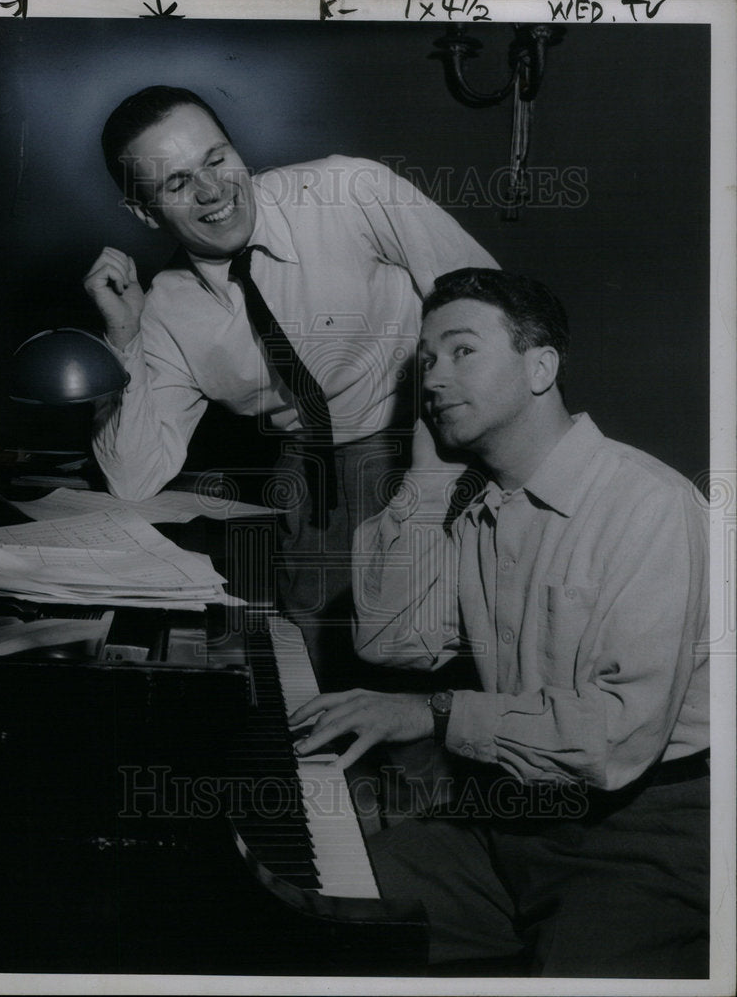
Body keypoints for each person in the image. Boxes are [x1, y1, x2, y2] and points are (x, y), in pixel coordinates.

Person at [289, 268, 710, 977]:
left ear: (541, 366)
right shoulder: (483, 509)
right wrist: (425, 478)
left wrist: (438, 713)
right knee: (317, 906)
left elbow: (616, 739)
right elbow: (392, 640)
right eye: (425, 361)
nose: (433, 379)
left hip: (646, 830)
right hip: (508, 815)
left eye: (461, 351)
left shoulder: (650, 505)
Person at [84, 86, 497, 681]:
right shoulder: (166, 310)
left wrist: (447, 462)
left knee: (456, 667)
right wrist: (122, 336)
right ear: (145, 213)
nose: (212, 192)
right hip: (313, 484)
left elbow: (484, 305)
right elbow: (131, 477)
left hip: (433, 444)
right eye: (176, 185)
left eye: (217, 159)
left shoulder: (347, 191)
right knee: (323, 684)